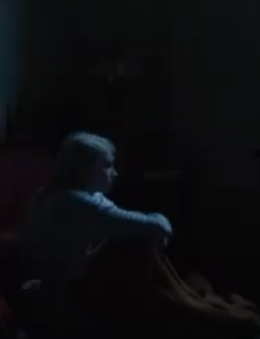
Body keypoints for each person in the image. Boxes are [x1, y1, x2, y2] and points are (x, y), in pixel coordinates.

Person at [20, 132, 173, 337]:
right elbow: (158, 226)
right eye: (107, 166)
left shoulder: (49, 193)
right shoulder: (77, 202)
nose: (115, 173)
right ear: (84, 169)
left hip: (42, 294)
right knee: (140, 246)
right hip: (58, 303)